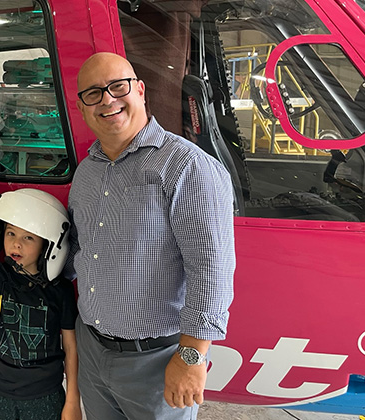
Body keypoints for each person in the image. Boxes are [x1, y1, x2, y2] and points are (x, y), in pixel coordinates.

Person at [67, 52, 235, 420]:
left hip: (157, 360)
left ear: (140, 90)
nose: (108, 100)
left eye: (117, 87)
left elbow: (211, 269)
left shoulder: (188, 167)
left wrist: (192, 357)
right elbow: (79, 251)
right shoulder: (86, 173)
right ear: (81, 108)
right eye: (93, 93)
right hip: (93, 352)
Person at [0, 188, 82, 420]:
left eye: (28, 237)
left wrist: (73, 399)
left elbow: (71, 348)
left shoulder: (60, 290)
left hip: (46, 395)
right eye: (10, 233)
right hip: (2, 393)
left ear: (47, 244)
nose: (16, 244)